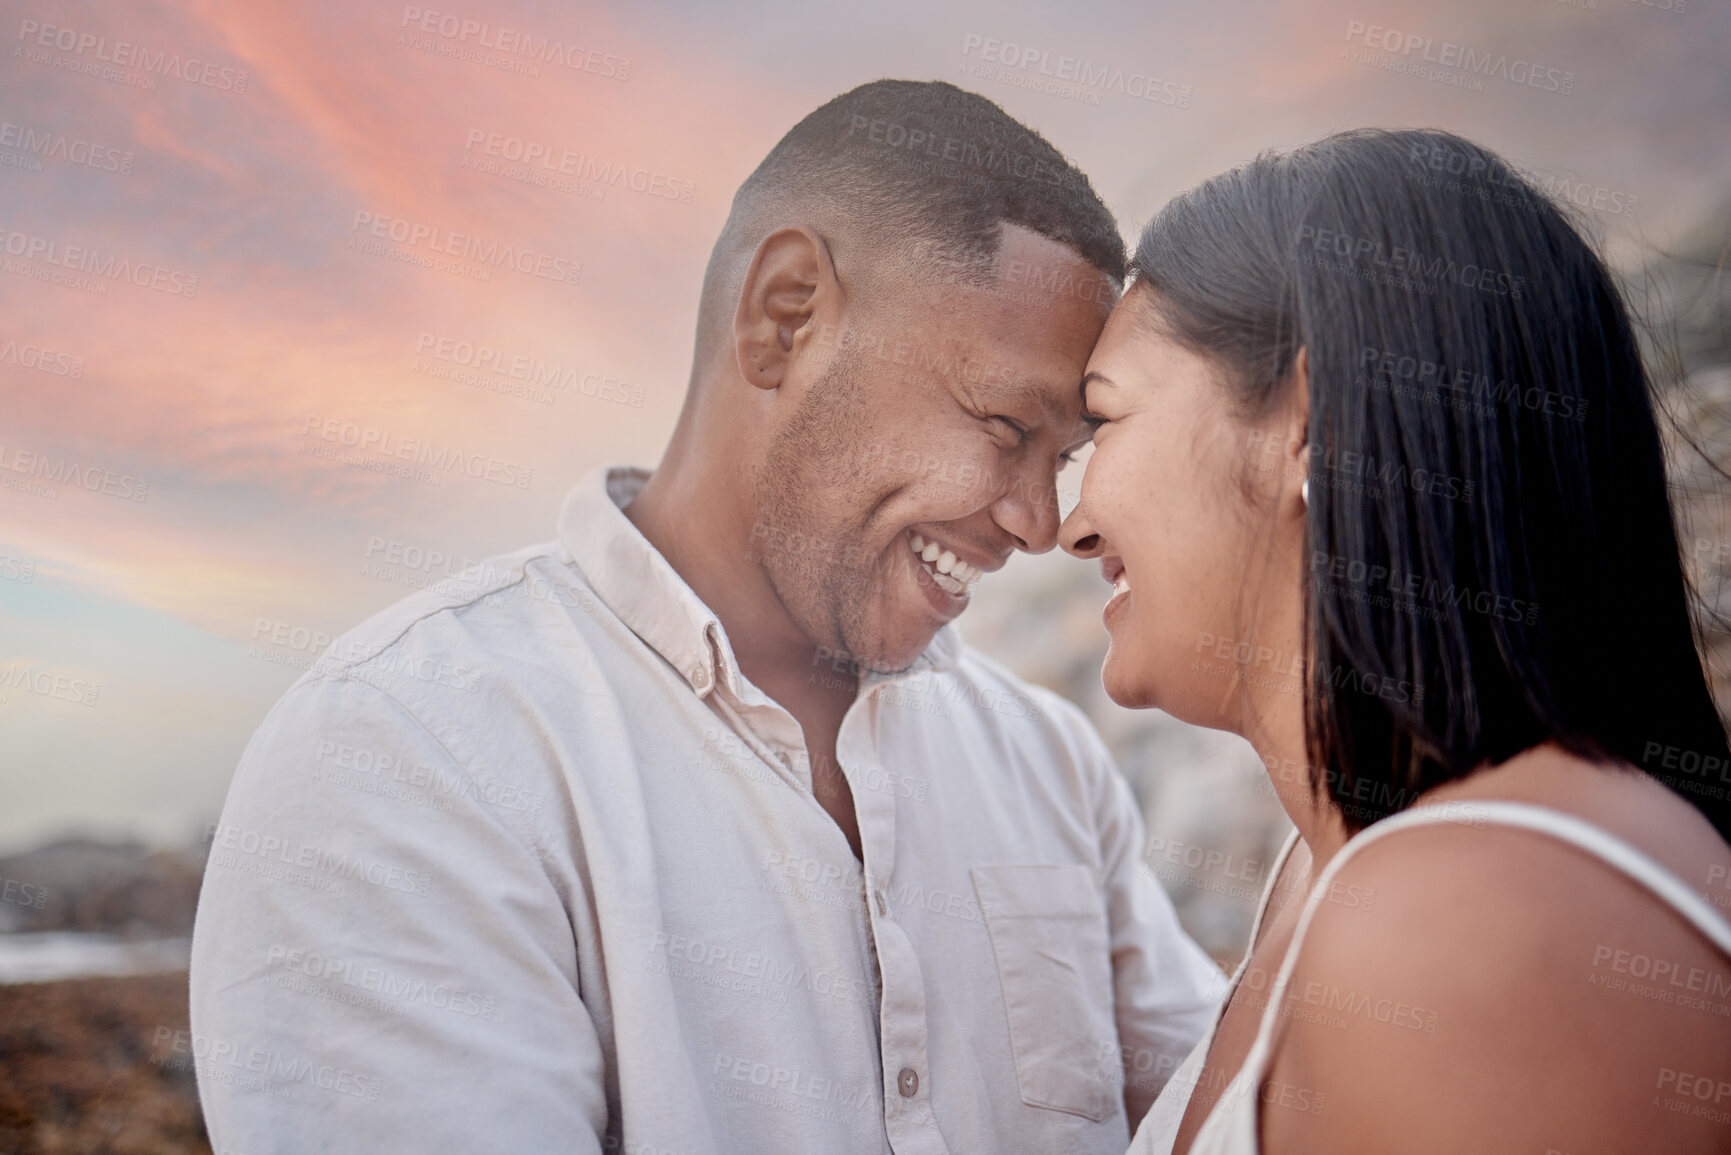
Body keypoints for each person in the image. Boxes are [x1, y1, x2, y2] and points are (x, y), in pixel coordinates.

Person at [189, 79, 1225, 1154]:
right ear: (787, 317)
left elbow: (1232, 1112)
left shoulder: (1048, 765)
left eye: (1063, 459)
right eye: (1005, 424)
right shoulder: (407, 750)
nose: (1037, 521)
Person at [1057, 126, 1731, 1154]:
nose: (1072, 525)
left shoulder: (1469, 915)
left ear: (1308, 421)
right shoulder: (1352, 869)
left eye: (1105, 422)